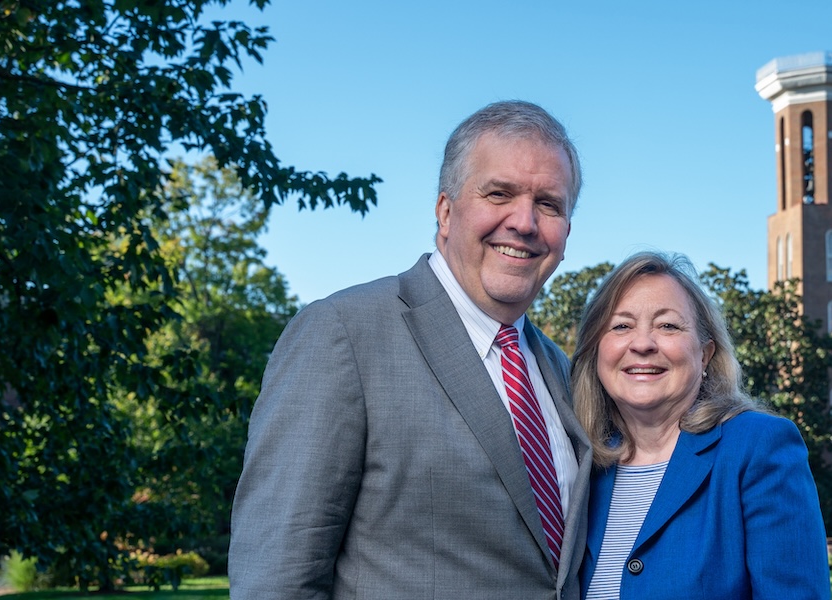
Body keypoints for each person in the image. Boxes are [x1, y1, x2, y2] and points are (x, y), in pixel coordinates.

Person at [229, 100, 593, 599]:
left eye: (549, 204)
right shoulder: (342, 334)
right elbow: (276, 582)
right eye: (499, 193)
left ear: (566, 233)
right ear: (445, 211)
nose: (525, 222)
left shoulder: (563, 372)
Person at [571, 252, 831, 599]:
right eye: (621, 326)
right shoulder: (580, 465)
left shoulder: (758, 446)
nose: (643, 344)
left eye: (668, 326)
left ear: (705, 353)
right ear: (596, 351)